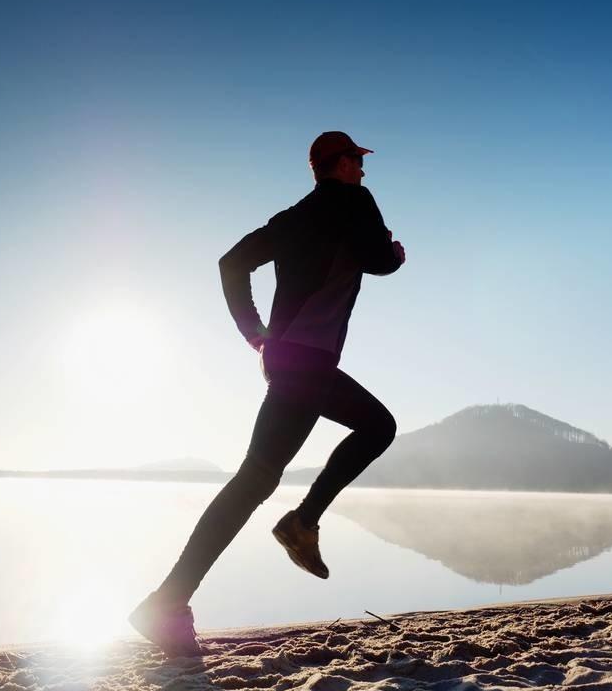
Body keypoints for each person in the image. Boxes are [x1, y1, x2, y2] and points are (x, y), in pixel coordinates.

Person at [128, 131, 406, 657]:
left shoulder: (292, 217)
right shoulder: (354, 202)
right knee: (257, 478)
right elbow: (380, 261)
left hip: (288, 358)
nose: (364, 172)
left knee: (363, 431)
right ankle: (170, 600)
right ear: (339, 166)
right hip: (309, 360)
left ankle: (296, 526)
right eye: (358, 162)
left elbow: (230, 263)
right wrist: (394, 250)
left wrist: (254, 332)